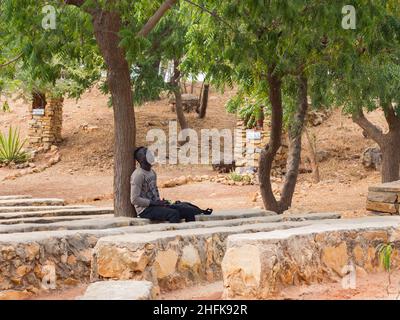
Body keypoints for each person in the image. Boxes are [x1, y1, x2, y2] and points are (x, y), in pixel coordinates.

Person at [130, 146, 212, 223]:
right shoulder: (138, 175)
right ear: (140, 160)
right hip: (145, 210)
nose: (150, 155)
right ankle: (174, 236)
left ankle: (190, 233)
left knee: (188, 211)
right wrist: (154, 203)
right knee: (173, 214)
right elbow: (134, 199)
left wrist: (161, 202)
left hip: (156, 205)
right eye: (146, 154)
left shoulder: (152, 172)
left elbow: (154, 191)